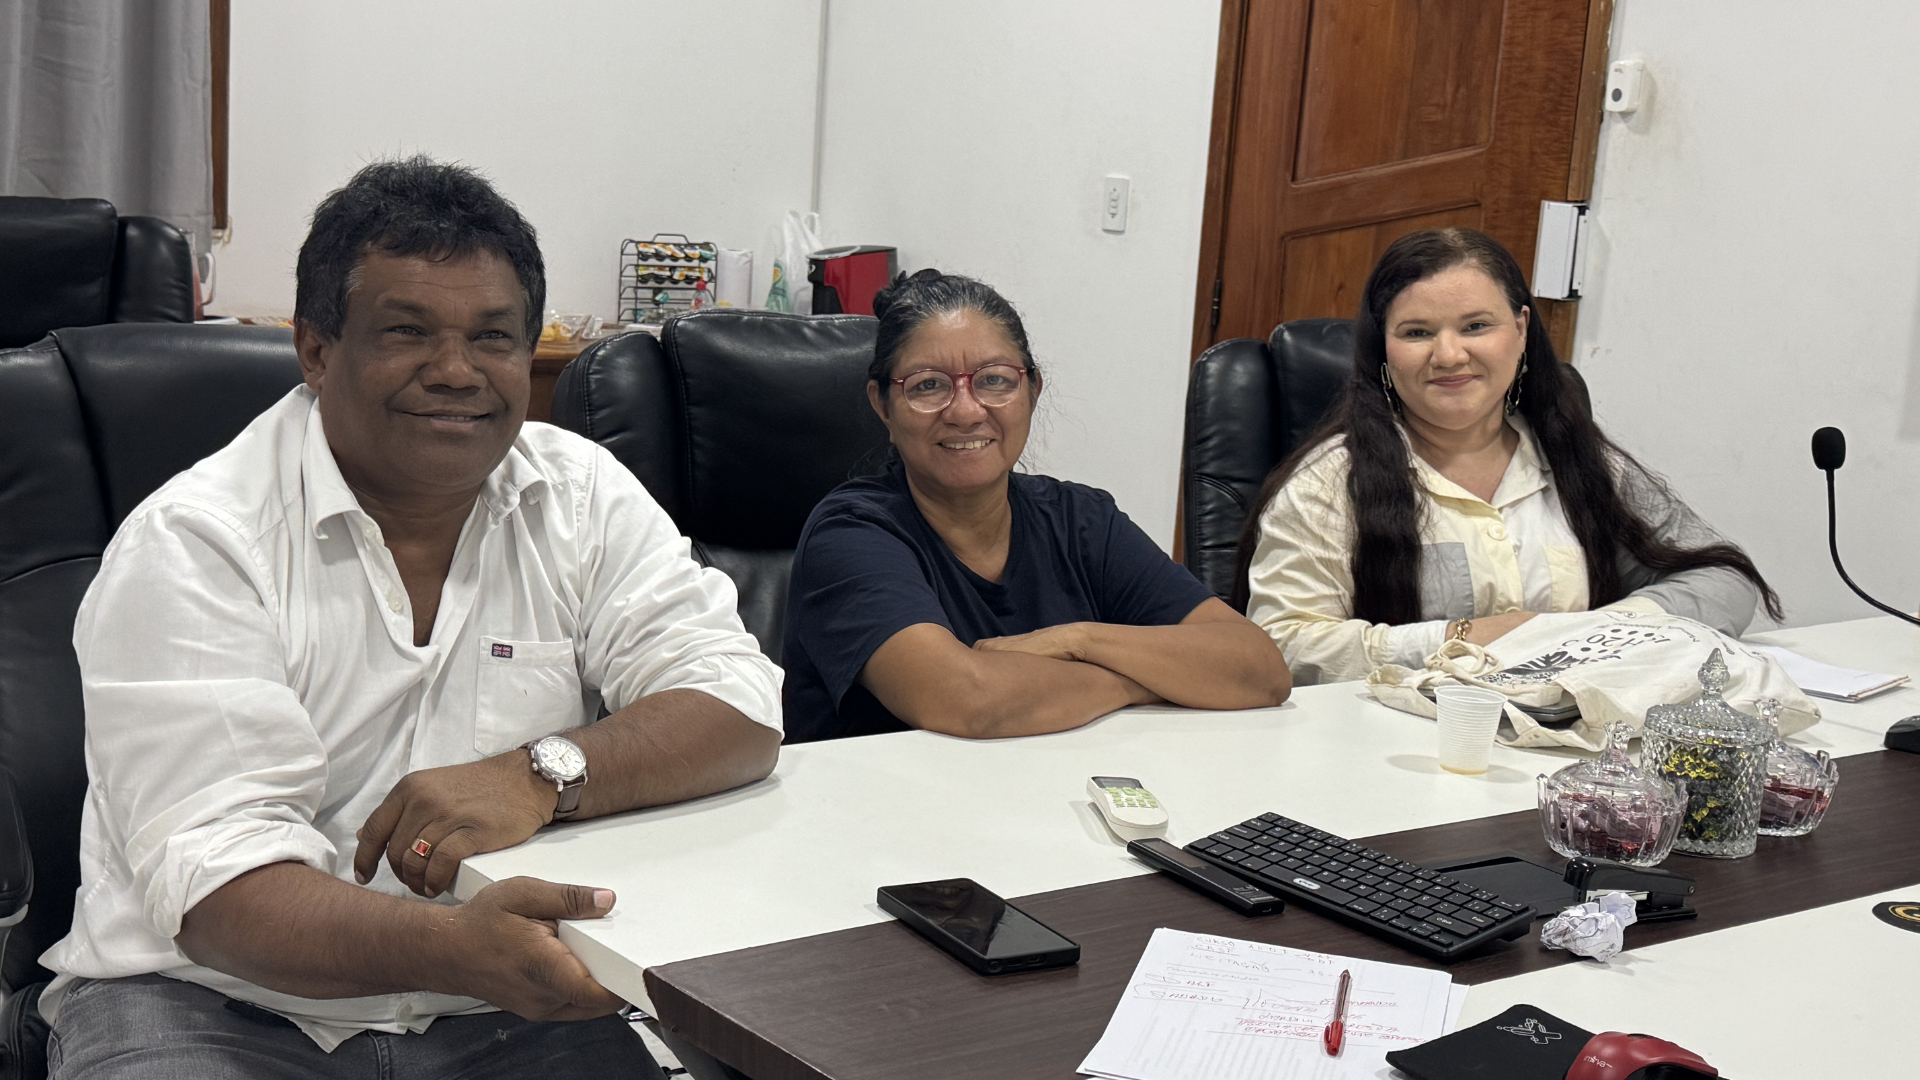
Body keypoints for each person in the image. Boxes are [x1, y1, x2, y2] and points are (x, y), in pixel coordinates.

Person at [39, 158, 784, 1077]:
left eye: (494, 337)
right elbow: (220, 890)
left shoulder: (581, 494)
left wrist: (545, 772)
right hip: (210, 999)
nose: (457, 372)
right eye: (407, 332)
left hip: (506, 1004)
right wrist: (453, 949)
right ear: (316, 350)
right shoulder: (197, 541)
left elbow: (739, 704)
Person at [1240, 227, 1780, 685]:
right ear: (1383, 347)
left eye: (1476, 326)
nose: (1449, 355)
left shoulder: (1579, 459)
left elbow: (1722, 581)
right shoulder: (1326, 485)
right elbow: (1280, 647)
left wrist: (1596, 634)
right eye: (1417, 333)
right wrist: (1462, 639)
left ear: (1520, 330)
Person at [782, 270, 1292, 742]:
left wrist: (1079, 640)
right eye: (928, 386)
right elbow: (968, 701)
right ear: (882, 406)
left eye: (994, 380)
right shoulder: (850, 533)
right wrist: (1139, 682)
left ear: (1032, 390)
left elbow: (1260, 669)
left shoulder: (1081, 519)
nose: (966, 411)